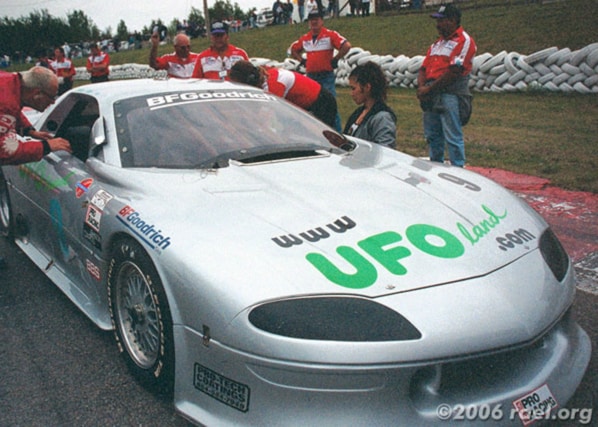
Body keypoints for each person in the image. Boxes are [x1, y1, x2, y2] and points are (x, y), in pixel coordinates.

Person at [0, 66, 72, 269]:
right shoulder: (5, 101)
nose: (53, 102)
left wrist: (30, 131)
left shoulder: (11, 83)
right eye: (51, 96)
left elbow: (14, 108)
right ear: (37, 93)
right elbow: (5, 151)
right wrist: (46, 146)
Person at [416, 4, 476, 167]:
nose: (438, 25)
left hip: (451, 93)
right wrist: (421, 88)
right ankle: (436, 166)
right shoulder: (437, 44)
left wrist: (428, 89)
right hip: (431, 93)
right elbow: (423, 68)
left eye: (441, 21)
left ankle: (458, 168)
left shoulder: (464, 41)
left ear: (453, 20)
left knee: (452, 136)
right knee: (432, 135)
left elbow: (454, 71)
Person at [290, 9, 351, 131]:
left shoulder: (330, 35)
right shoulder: (305, 38)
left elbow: (346, 45)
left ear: (322, 21)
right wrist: (302, 60)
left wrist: (336, 59)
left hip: (326, 76)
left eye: (316, 19)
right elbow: (293, 49)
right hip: (311, 77)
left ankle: (337, 133)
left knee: (330, 105)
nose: (314, 22)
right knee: (313, 105)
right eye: (311, 20)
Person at [229, 60, 338, 128]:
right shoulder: (263, 80)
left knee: (322, 137)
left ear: (250, 80)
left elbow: (265, 117)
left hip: (322, 103)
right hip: (309, 103)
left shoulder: (274, 85)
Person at [344, 61, 396, 148]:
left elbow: (385, 149)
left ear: (367, 87)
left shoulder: (382, 118)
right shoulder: (359, 113)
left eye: (353, 88)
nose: (352, 94)